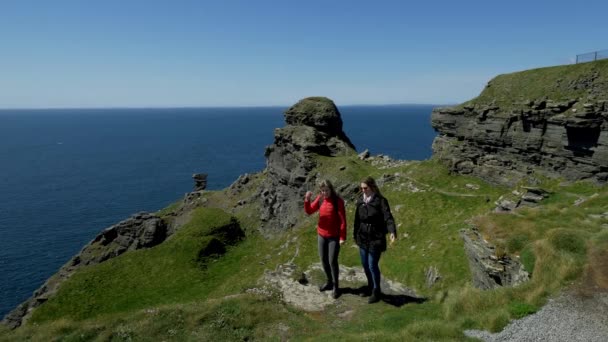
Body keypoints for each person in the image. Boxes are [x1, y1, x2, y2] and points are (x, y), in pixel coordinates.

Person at [354, 176, 397, 304]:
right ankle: (369, 286)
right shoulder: (360, 201)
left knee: (372, 265)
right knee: (365, 264)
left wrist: (392, 232)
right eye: (361, 188)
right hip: (362, 237)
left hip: (375, 237)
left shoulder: (381, 201)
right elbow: (357, 219)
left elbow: (388, 217)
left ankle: (376, 291)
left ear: (372, 187)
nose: (363, 190)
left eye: (365, 188)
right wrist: (355, 234)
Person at [304, 180, 347, 299]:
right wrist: (307, 199)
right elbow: (309, 211)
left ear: (331, 189)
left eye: (326, 190)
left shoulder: (337, 201)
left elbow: (343, 221)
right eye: (322, 191)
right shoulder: (320, 198)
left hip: (334, 236)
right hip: (321, 235)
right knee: (323, 260)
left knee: (332, 261)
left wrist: (342, 237)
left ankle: (336, 287)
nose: (324, 193)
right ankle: (329, 282)